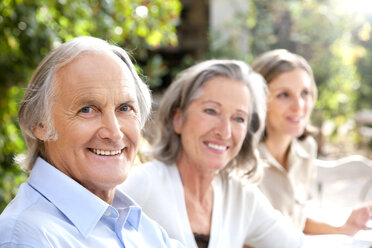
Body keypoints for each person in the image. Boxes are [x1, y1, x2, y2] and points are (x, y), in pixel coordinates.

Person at [0, 36, 182, 247]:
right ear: (40, 124)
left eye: (125, 108)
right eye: (87, 110)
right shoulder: (28, 237)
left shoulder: (144, 230)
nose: (114, 133)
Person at [118, 60, 304, 247]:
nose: (225, 132)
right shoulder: (142, 184)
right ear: (178, 118)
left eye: (238, 118)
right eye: (211, 111)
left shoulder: (240, 195)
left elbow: (296, 245)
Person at [252, 49, 372, 235]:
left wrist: (344, 229)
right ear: (257, 100)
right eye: (284, 95)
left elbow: (294, 221)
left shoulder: (306, 148)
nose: (299, 106)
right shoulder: (243, 158)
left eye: (305, 93)